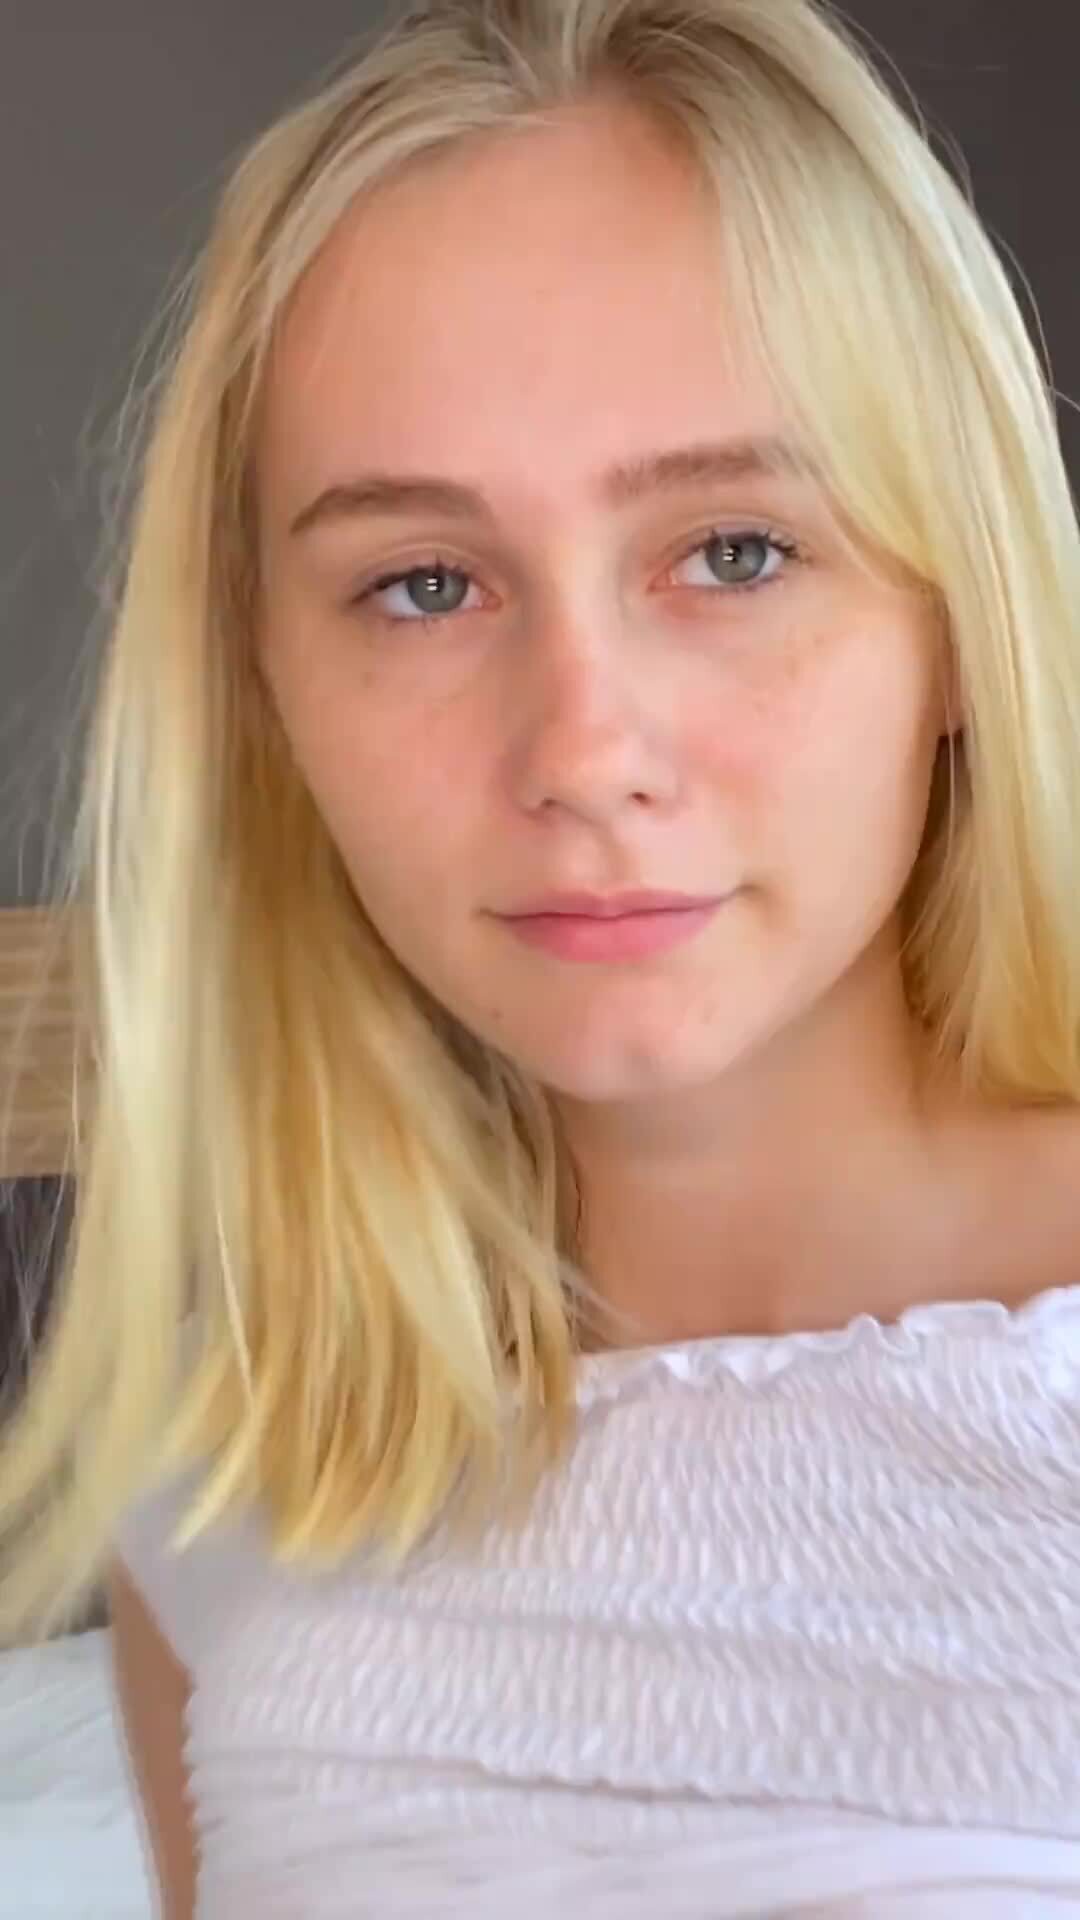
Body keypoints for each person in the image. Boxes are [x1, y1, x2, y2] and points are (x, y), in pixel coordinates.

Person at [2, 0, 1079, 1911]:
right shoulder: (232, 1463)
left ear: (957, 615)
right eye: (423, 585)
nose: (584, 750)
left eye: (734, 552)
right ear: (269, 697)